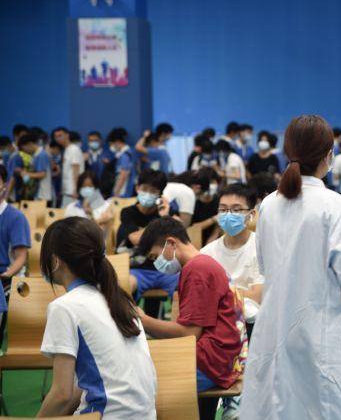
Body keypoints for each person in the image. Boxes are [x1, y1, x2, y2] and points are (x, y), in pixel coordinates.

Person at [240, 115, 341, 420]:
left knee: (278, 408)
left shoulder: (269, 205)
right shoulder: (336, 206)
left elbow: (266, 266)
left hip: (276, 327)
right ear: (328, 156)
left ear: (287, 152)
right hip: (323, 331)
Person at [37, 217, 157, 419]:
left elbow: (61, 396)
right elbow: (83, 387)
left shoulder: (64, 307)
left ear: (55, 261)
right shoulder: (121, 300)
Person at [137, 217, 247, 420]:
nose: (156, 264)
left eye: (154, 256)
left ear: (171, 243)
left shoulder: (197, 270)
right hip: (222, 359)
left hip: (210, 363)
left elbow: (188, 334)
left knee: (137, 382)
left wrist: (143, 320)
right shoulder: (203, 264)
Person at [201, 184, 263, 338]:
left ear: (251, 214)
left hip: (253, 327)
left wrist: (218, 293)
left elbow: (258, 296)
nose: (228, 215)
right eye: (223, 210)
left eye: (236, 210)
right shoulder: (207, 253)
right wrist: (241, 293)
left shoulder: (262, 248)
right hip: (216, 324)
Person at [116, 170, 179, 314]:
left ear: (160, 195)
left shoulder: (166, 212)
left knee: (187, 284)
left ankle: (177, 325)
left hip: (165, 270)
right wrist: (162, 222)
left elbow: (180, 234)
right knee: (124, 285)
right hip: (137, 270)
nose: (148, 194)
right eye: (145, 189)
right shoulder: (128, 212)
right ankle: (129, 322)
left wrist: (166, 216)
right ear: (137, 188)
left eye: (153, 191)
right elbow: (136, 239)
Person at [0, 165, 30, 338]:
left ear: (4, 186)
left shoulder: (16, 217)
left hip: (7, 276)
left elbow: (20, 257)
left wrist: (5, 275)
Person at [18, 132, 53, 203]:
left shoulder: (42, 155)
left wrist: (26, 174)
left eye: (24, 149)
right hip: (38, 193)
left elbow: (43, 174)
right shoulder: (35, 155)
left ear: (29, 144)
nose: (25, 152)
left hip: (43, 194)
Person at [191, 167, 222, 245]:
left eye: (212, 182)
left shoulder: (220, 201)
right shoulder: (193, 202)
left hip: (213, 243)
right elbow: (193, 228)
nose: (210, 186)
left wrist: (208, 247)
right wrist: (213, 220)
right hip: (194, 241)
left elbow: (217, 229)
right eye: (208, 182)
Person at [54, 128, 85, 207]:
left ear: (67, 135)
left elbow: (76, 170)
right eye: (56, 136)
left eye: (60, 135)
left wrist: (75, 190)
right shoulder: (66, 150)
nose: (58, 138)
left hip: (72, 192)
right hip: (66, 191)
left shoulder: (74, 149)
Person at [107, 128, 136, 198]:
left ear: (117, 142)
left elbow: (123, 175)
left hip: (124, 191)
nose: (111, 147)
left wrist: (115, 192)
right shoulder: (126, 154)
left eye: (111, 144)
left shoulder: (125, 156)